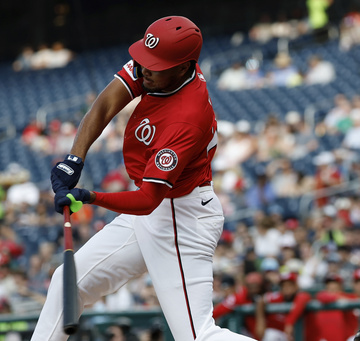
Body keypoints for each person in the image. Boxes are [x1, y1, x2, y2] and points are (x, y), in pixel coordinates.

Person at [31, 16, 256, 341]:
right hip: (156, 214)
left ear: (184, 67)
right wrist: (74, 159)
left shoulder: (187, 117)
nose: (144, 68)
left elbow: (149, 199)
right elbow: (106, 103)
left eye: (156, 64)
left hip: (182, 218)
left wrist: (89, 196)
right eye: (144, 59)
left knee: (198, 337)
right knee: (68, 280)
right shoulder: (161, 69)